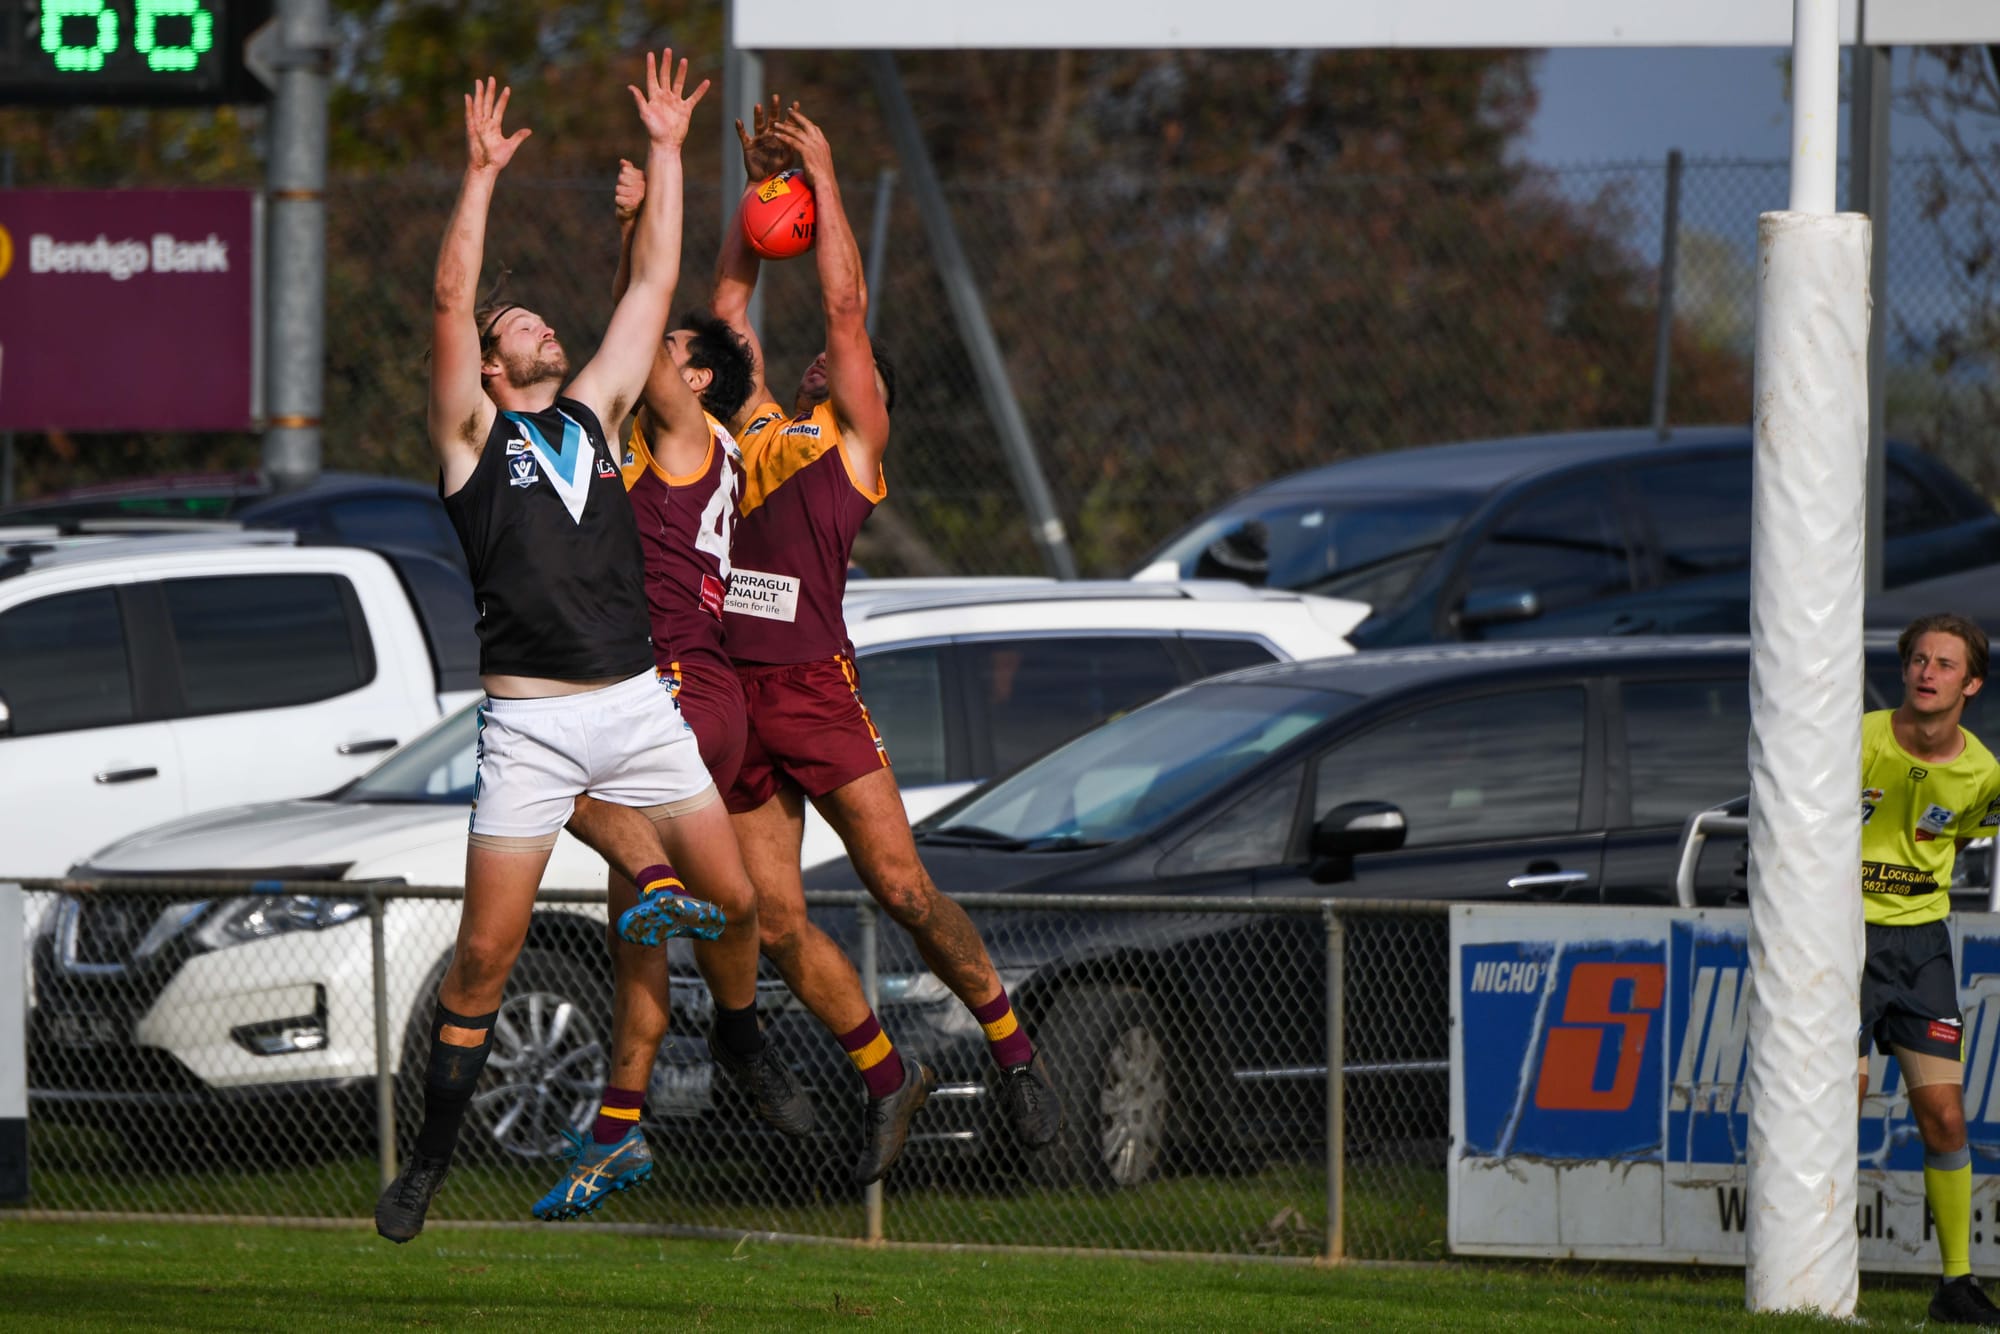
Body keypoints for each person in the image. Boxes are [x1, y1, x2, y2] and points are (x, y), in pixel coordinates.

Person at [619, 101, 1064, 1178]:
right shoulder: (751, 426)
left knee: (902, 888)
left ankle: (1014, 1051)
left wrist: (820, 176)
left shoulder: (852, 446)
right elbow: (727, 311)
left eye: (843, 360)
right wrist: (751, 201)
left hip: (815, 689)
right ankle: (886, 1076)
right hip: (731, 691)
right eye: (817, 357)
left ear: (869, 397)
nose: (823, 355)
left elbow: (847, 304)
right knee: (771, 919)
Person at [377, 54, 767, 1243]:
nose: (540, 324)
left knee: (735, 900)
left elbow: (654, 279)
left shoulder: (595, 414)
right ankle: (428, 1162)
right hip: (533, 727)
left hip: (637, 705)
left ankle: (742, 1044)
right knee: (482, 960)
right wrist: (479, 174)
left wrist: (667, 149)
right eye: (519, 327)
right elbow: (449, 297)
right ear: (493, 365)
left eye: (539, 318)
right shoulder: (469, 437)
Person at [535, 162, 816, 1220]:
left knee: (533, 768)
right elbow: (638, 332)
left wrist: (648, 212)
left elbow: (640, 326)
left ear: (694, 381)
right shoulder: (678, 439)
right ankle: (627, 1122)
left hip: (675, 688)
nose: (656, 357)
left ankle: (730, 1034)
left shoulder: (690, 437)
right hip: (673, 691)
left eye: (676, 355)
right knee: (662, 929)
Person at [1858, 613, 2000, 1322]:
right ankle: (1817, 1272)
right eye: (1918, 659)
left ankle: (1955, 1285)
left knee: (1945, 1117)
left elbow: (1965, 835)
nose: (1927, 672)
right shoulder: (1855, 738)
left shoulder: (1983, 772)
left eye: (1945, 664)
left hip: (1921, 948)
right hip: (1841, 939)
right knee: (1836, 1107)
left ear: (1971, 684)